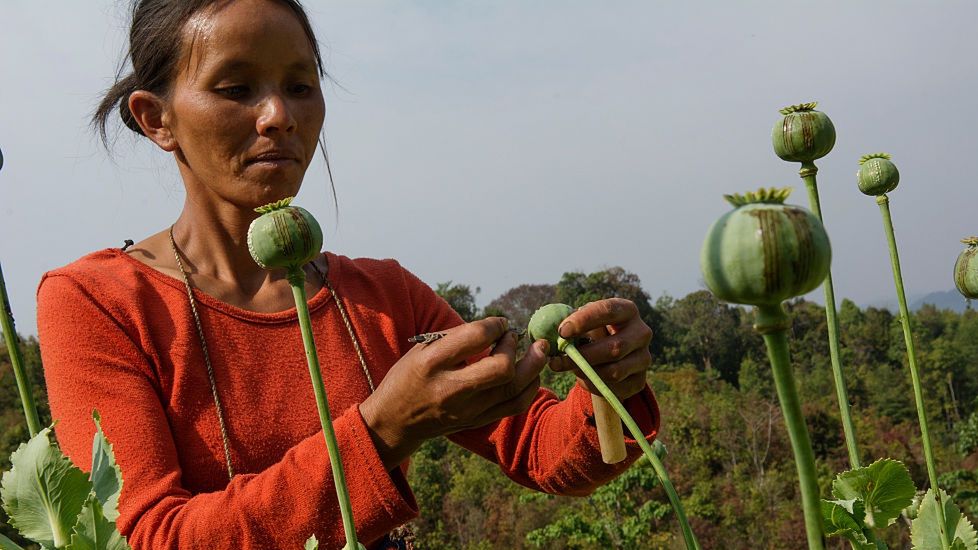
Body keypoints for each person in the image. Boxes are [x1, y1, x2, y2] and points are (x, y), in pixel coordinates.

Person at [36, 1, 660, 548]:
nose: (279, 114)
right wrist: (381, 433)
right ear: (155, 119)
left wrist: (609, 386)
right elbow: (146, 538)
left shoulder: (382, 298)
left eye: (301, 85)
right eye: (235, 88)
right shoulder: (100, 301)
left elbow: (545, 451)